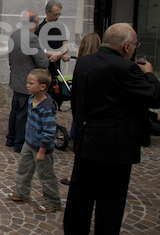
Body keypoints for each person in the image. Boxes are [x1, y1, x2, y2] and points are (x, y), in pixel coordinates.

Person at [63, 23, 160, 235]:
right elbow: (155, 97)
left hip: (86, 139)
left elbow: (77, 101)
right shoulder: (126, 68)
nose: (135, 48)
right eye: (135, 45)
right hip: (114, 147)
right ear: (127, 47)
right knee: (110, 203)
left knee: (80, 197)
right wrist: (150, 74)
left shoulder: (84, 62)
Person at [8, 68, 61, 213]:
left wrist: (42, 151)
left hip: (41, 148)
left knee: (46, 175)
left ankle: (53, 201)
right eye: (28, 82)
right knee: (23, 169)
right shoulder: (31, 99)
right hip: (29, 142)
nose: (27, 85)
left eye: (31, 83)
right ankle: (22, 193)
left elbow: (49, 132)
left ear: (42, 87)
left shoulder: (47, 109)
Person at [6, 11, 49, 153]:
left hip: (16, 79)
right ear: (35, 22)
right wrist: (48, 57)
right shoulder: (32, 38)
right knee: (23, 114)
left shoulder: (14, 35)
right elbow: (41, 62)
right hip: (28, 82)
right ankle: (19, 143)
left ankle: (10, 138)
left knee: (15, 112)